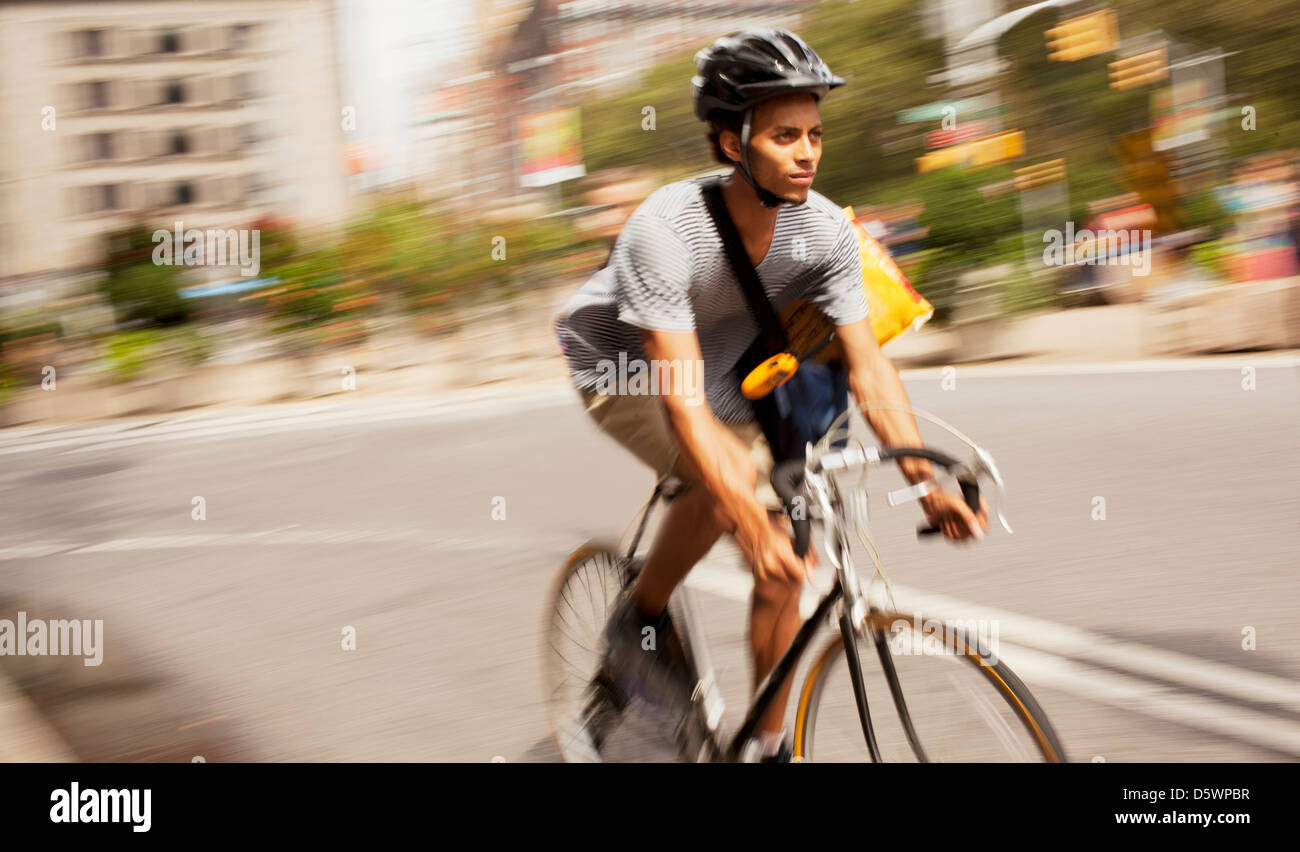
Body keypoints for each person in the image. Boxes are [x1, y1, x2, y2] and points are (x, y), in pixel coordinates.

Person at [553, 28, 988, 762]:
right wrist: (750, 525)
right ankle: (641, 616)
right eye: (785, 135)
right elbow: (682, 406)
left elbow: (868, 369)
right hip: (620, 366)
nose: (808, 151)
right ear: (732, 143)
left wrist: (924, 482)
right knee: (735, 495)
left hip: (733, 372)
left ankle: (764, 743)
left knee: (789, 549)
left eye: (815, 133)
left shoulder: (825, 232)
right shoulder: (665, 232)